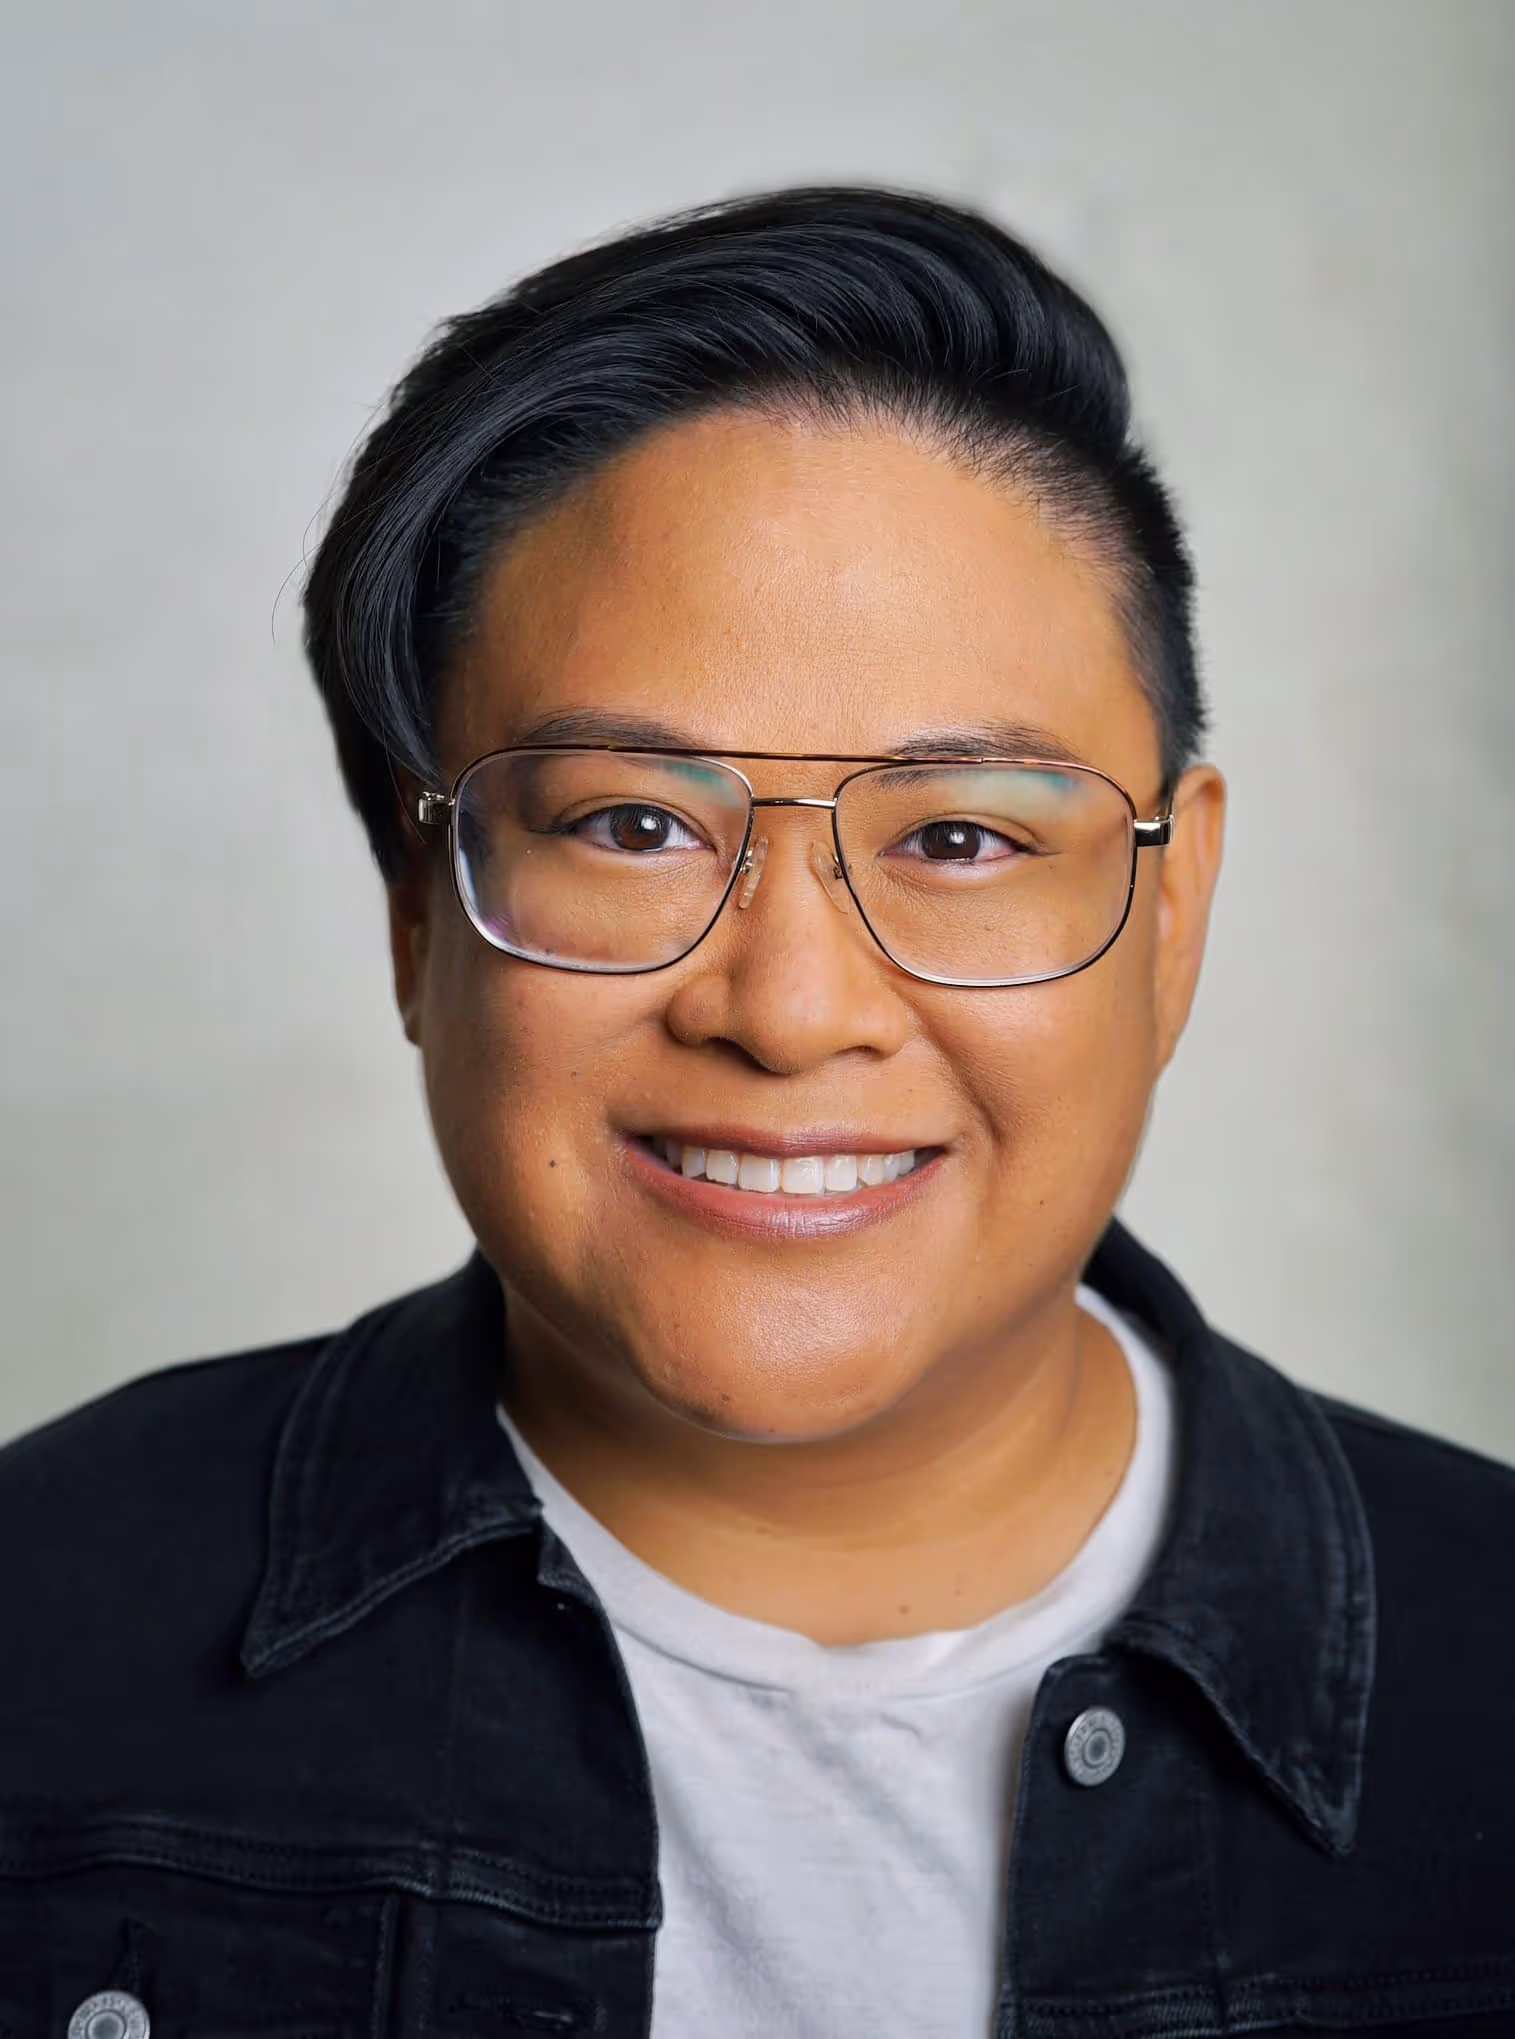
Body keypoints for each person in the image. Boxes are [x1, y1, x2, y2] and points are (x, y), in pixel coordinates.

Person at [2, 185, 1511, 2039]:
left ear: (1169, 913)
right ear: (419, 913)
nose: (790, 1010)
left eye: (960, 836)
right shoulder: (38, 1642)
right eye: (632, 824)